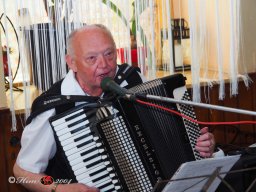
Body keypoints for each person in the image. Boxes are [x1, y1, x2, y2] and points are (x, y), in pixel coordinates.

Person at [13, 24, 217, 192]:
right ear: (72, 63)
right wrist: (59, 187)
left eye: (109, 54)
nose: (105, 65)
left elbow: (170, 134)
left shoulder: (133, 80)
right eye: (92, 58)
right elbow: (23, 174)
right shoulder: (53, 107)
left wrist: (199, 145)